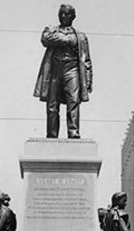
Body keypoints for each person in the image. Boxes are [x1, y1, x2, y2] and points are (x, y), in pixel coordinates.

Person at [33, 4, 93, 139]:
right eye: (61, 13)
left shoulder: (81, 36)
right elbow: (45, 39)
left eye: (66, 14)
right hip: (55, 69)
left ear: (73, 16)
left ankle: (73, 133)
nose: (63, 16)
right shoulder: (52, 30)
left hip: (72, 70)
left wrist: (88, 80)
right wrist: (65, 40)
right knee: (52, 104)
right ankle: (52, 134)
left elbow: (86, 60)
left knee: (73, 102)